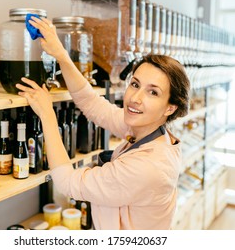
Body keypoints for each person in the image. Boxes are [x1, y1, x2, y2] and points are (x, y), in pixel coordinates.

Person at [16, 16, 190, 230]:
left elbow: (67, 183)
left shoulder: (147, 167)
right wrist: (62, 55)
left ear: (170, 107)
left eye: (153, 92)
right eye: (135, 84)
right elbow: (93, 104)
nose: (135, 98)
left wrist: (47, 115)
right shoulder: (148, 129)